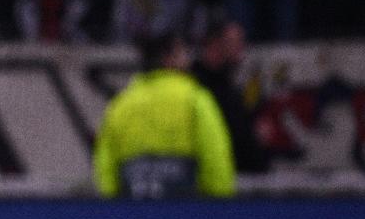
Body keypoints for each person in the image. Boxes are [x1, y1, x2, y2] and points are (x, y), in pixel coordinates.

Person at [94, 33, 235, 198]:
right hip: (186, 216)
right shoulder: (195, 100)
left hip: (133, 216)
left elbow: (105, 164)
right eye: (182, 54)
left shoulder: (120, 105)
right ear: (168, 59)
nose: (188, 60)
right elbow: (215, 156)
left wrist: (112, 208)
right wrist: (219, 207)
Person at [192, 20, 270, 173]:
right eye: (234, 42)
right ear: (214, 44)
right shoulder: (196, 84)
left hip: (244, 177)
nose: (241, 48)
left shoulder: (231, 83)